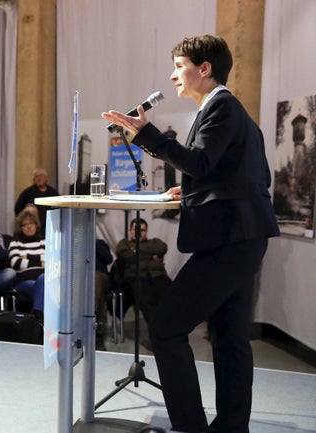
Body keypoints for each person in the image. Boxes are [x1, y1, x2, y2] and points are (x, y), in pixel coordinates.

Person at [101, 34, 279, 433]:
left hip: (230, 240)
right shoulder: (225, 110)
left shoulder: (222, 108)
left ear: (205, 69)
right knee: (229, 338)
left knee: (166, 328)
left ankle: (191, 428)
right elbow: (229, 171)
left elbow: (198, 161)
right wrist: (195, 190)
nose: (172, 75)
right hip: (241, 236)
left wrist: (145, 132)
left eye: (179, 67)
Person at [113, 218, 170, 323]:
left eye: (142, 230)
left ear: (147, 231)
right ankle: (156, 328)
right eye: (136, 229)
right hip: (135, 277)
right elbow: (124, 254)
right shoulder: (125, 243)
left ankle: (167, 326)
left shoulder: (155, 242)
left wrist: (136, 251)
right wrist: (150, 255)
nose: (139, 233)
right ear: (130, 230)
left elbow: (163, 248)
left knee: (168, 296)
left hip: (158, 276)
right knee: (145, 298)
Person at [8, 210, 45, 322]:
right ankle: (39, 318)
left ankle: (36, 316)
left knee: (42, 279)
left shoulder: (44, 241)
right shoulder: (15, 243)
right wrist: (40, 261)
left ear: (36, 225)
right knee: (42, 287)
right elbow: (15, 263)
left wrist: (26, 257)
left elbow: (51, 261)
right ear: (20, 227)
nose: (29, 227)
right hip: (24, 282)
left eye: (31, 223)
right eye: (25, 224)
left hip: (45, 280)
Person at [13, 168, 59, 237]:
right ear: (34, 179)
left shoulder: (53, 192)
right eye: (36, 176)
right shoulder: (28, 192)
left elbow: (59, 208)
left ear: (46, 178)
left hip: (51, 226)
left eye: (41, 176)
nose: (39, 178)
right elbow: (18, 209)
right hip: (33, 228)